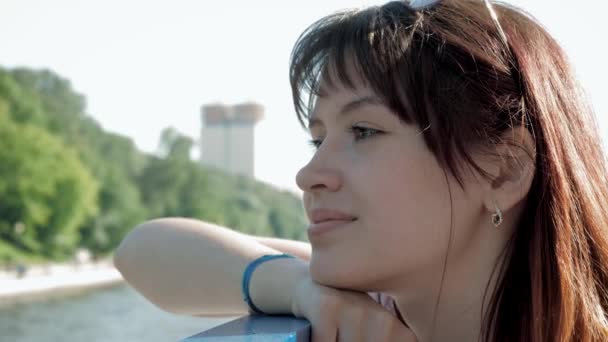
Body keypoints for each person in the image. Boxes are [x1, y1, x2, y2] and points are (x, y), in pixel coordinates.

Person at [113, 0, 608, 341]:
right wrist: (297, 288)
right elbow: (143, 250)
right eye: (317, 137)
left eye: (364, 131)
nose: (309, 175)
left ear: (503, 171)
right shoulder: (374, 291)